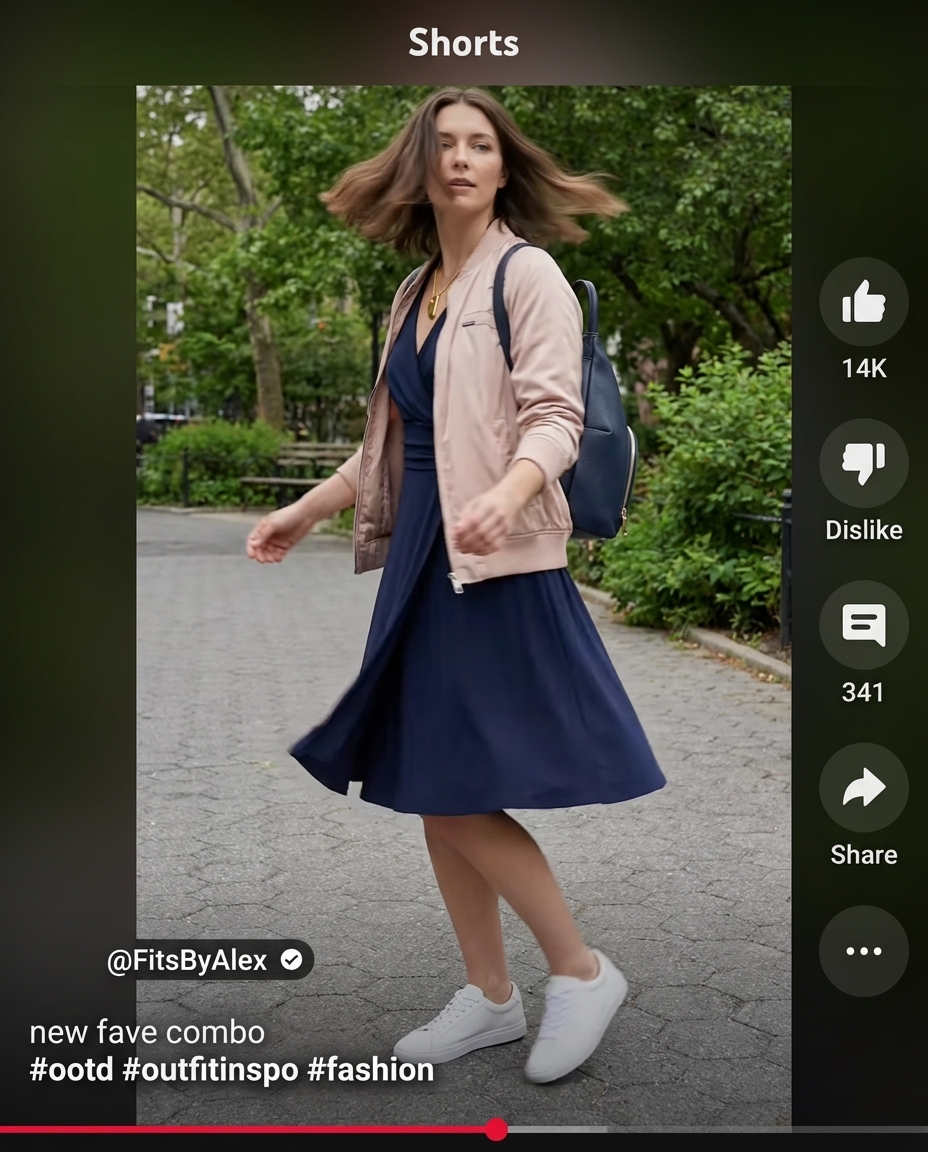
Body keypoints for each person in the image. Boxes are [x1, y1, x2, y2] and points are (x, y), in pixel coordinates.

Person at [247, 87, 665, 1084]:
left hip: (495, 560)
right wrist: (306, 509)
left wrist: (506, 496)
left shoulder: (529, 275)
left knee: (461, 789)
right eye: (446, 144)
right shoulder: (415, 291)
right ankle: (488, 995)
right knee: (433, 784)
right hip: (425, 560)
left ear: (502, 166)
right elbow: (390, 447)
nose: (464, 158)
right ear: (420, 166)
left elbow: (556, 421)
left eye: (481, 143)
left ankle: (581, 971)